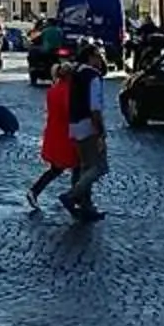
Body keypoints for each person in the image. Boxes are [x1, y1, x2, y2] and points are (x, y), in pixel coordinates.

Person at [62, 41, 107, 219]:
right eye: (98, 56)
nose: (101, 59)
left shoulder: (75, 73)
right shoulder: (93, 76)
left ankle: (85, 205)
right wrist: (100, 130)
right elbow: (95, 107)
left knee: (83, 166)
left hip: (74, 123)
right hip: (88, 124)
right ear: (91, 57)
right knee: (98, 166)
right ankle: (72, 195)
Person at [27, 56, 77, 210]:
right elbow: (70, 112)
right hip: (66, 134)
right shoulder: (67, 91)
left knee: (57, 168)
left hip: (54, 131)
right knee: (78, 166)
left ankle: (35, 190)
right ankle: (75, 197)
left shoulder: (54, 89)